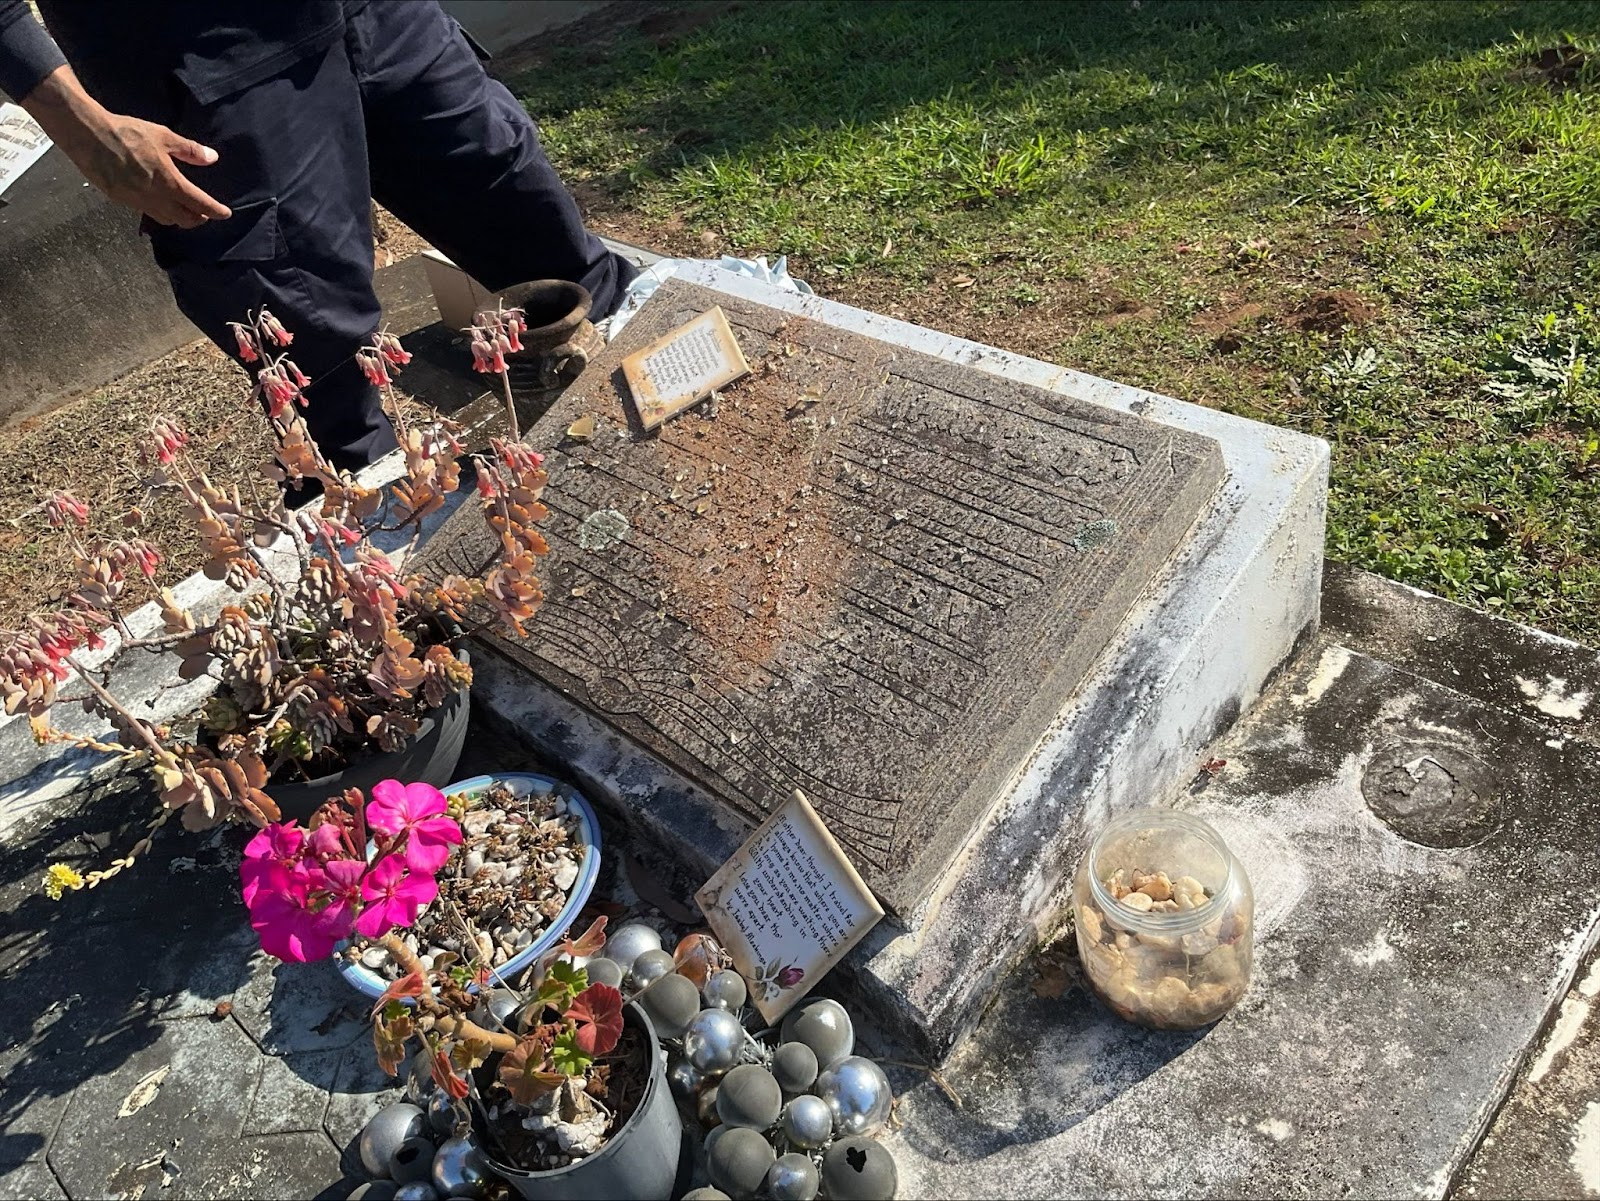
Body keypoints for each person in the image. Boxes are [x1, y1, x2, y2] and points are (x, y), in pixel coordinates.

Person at [0, 0, 636, 471]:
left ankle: (676, 476)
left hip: (381, 17)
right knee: (330, 393)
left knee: (557, 256)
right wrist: (79, 122)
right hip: (207, 62)